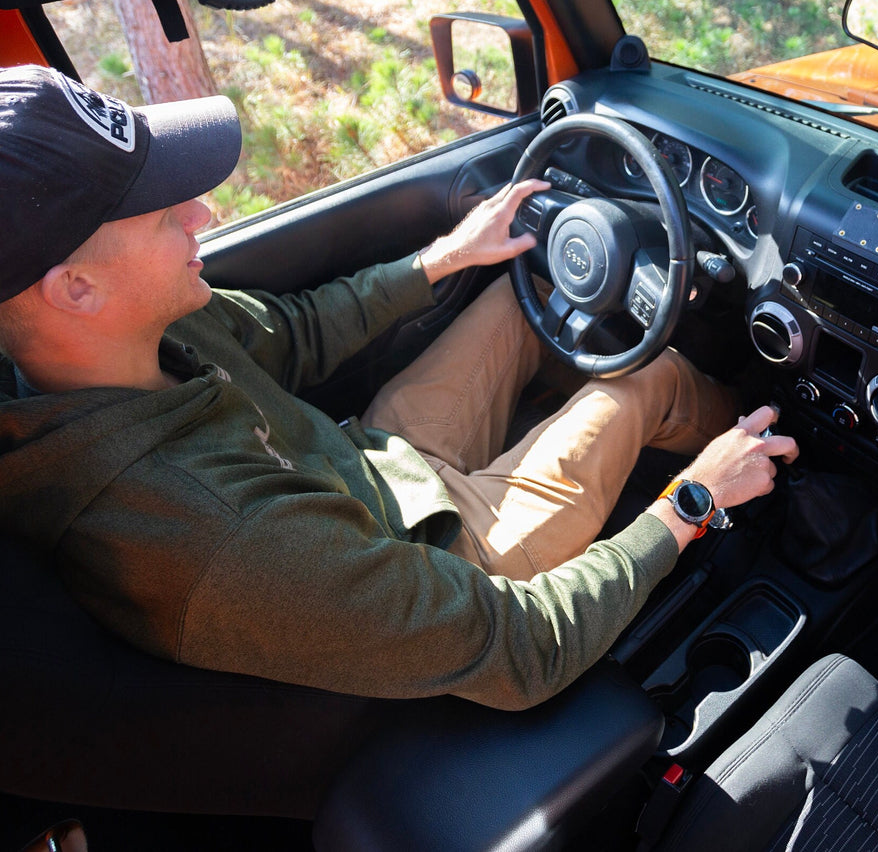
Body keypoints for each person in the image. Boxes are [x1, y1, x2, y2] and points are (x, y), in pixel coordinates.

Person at [0, 64, 797, 710]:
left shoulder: (135, 333)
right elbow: (521, 647)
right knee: (646, 374)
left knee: (525, 290)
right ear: (75, 288)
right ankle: (773, 442)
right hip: (451, 562)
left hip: (378, 465)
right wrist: (691, 500)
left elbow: (298, 332)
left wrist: (446, 255)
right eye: (163, 214)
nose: (204, 214)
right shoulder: (213, 542)